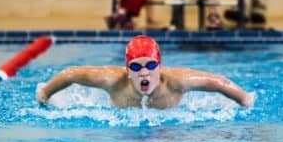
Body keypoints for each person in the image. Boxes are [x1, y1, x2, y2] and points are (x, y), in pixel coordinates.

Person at [36, 35, 254, 109]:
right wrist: (44, 94)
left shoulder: (176, 82)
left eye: (150, 66)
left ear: (159, 67)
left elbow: (217, 82)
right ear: (128, 70)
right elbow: (71, 74)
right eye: (136, 67)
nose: (144, 73)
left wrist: (244, 99)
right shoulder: (112, 80)